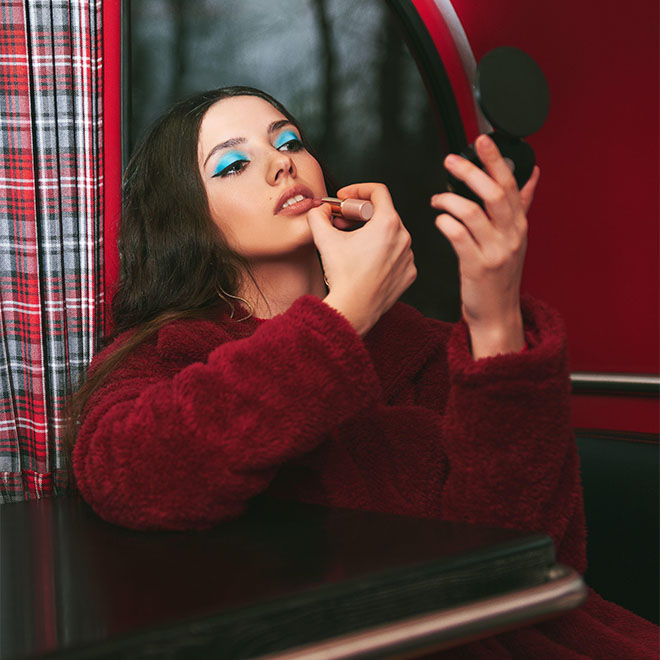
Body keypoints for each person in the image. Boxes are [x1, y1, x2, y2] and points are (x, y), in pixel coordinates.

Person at [68, 86, 657, 658]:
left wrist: (494, 308)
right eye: (234, 164)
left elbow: (532, 548)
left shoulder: (420, 346)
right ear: (186, 220)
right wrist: (345, 314)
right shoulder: (167, 355)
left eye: (290, 141)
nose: (281, 164)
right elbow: (132, 474)